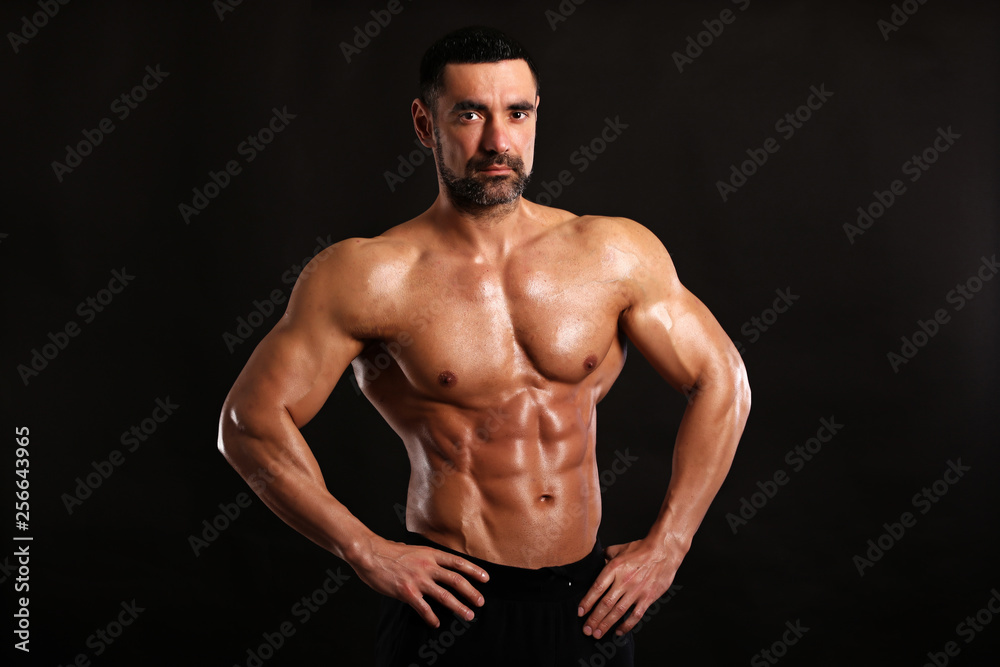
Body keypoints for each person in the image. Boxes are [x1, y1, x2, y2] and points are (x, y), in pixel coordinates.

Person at [218, 26, 750, 666]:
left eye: (517, 113)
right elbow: (249, 423)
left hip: (588, 602)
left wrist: (670, 543)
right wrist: (363, 549)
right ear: (425, 124)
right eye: (469, 114)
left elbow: (723, 379)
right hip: (449, 608)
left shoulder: (613, 252)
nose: (498, 142)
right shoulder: (369, 274)